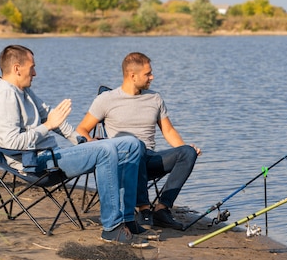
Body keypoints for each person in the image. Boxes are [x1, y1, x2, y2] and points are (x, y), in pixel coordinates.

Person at [0, 45, 148, 246]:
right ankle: (112, 228)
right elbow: (10, 142)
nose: (35, 73)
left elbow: (51, 115)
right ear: (17, 68)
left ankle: (126, 219)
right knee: (106, 150)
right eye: (32, 67)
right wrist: (47, 126)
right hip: (36, 164)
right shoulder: (4, 94)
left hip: (52, 155)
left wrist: (80, 140)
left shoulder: (24, 90)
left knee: (132, 144)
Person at [76, 52, 201, 231]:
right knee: (136, 145)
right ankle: (143, 207)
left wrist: (184, 148)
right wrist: (91, 141)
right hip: (123, 162)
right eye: (148, 74)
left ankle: (162, 209)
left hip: (149, 159)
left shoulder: (154, 98)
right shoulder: (106, 99)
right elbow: (82, 129)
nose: (152, 77)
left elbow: (168, 130)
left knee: (188, 152)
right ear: (132, 76)